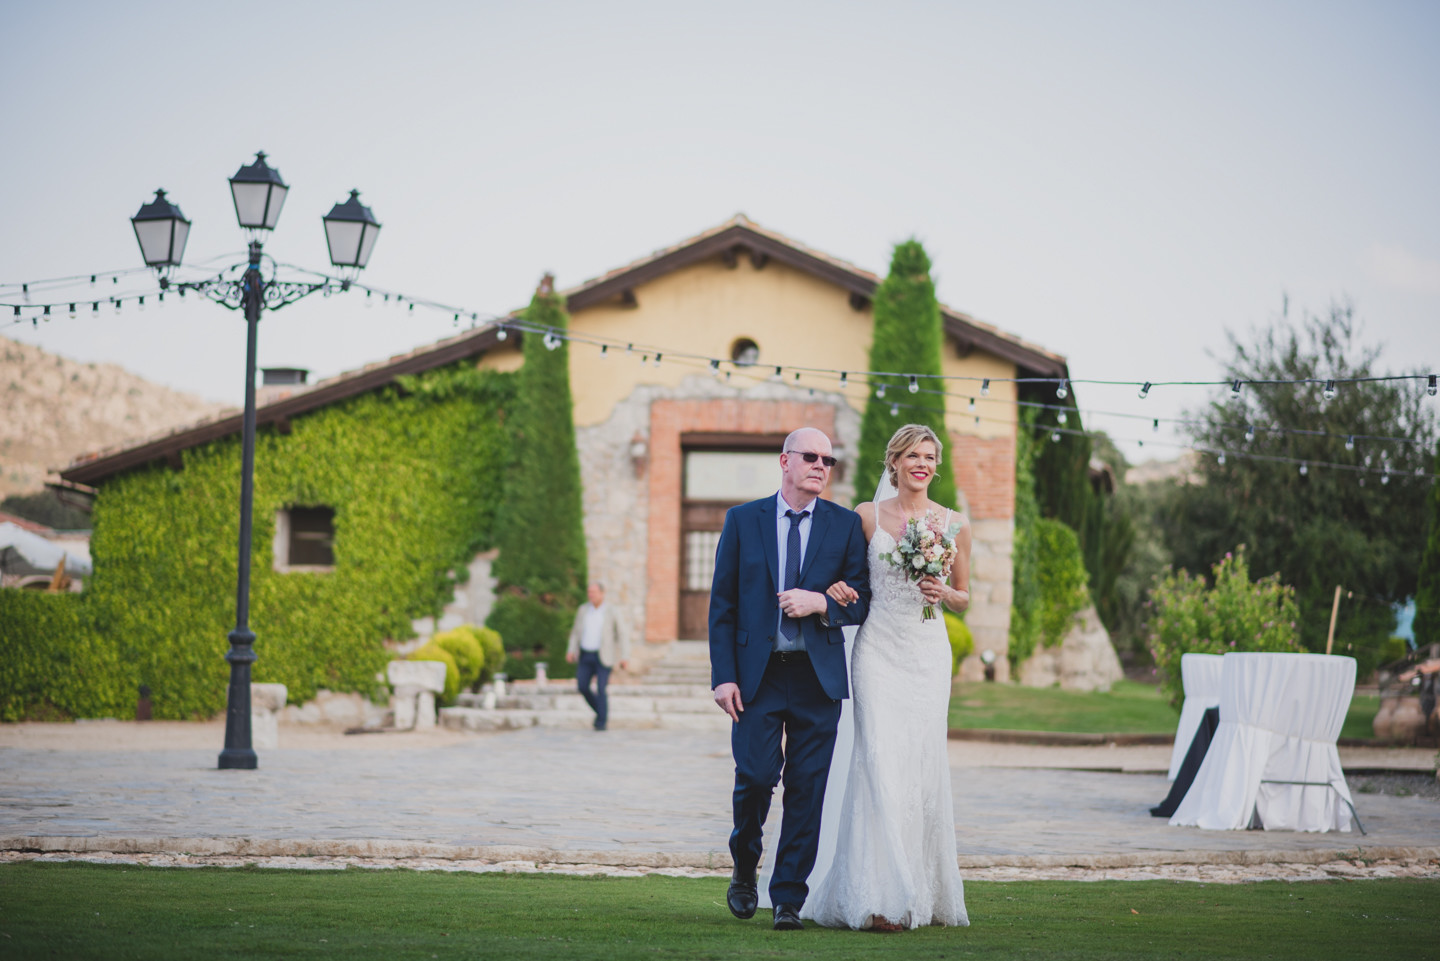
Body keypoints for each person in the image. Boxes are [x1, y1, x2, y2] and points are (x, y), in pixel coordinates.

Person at [802, 423, 971, 931]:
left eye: (929, 456)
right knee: (876, 760)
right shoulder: (867, 517)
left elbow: (965, 595)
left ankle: (918, 891)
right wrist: (837, 588)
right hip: (876, 651)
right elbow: (849, 575)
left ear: (935, 466)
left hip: (926, 653)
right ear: (893, 462)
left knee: (919, 765)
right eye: (912, 455)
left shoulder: (955, 522)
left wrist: (946, 595)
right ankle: (878, 898)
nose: (921, 464)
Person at [709, 427, 872, 931]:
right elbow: (723, 605)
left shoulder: (845, 527)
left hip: (816, 678)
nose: (821, 465)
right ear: (785, 461)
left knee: (807, 789)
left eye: (828, 459)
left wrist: (822, 601)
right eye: (811, 456)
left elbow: (863, 600)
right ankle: (743, 867)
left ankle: (787, 899)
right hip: (756, 678)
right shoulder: (742, 520)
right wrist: (723, 677)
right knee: (756, 779)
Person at [565, 582, 629, 731]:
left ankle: (601, 722)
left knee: (601, 688)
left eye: (593, 592)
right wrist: (571, 650)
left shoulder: (612, 611)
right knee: (582, 686)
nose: (591, 595)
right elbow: (575, 632)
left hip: (604, 656)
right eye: (589, 592)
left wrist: (624, 656)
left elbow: (622, 634)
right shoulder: (583, 610)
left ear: (602, 593)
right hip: (585, 654)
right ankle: (601, 712)